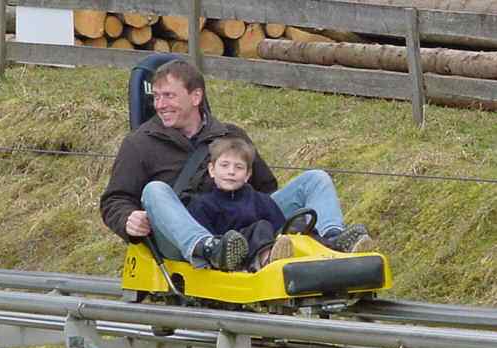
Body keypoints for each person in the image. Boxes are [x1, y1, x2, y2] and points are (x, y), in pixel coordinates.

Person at [100, 59, 373, 272]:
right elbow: (115, 200)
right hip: (179, 236)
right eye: (157, 97)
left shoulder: (230, 135)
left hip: (235, 230)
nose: (160, 105)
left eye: (169, 96)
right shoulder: (139, 143)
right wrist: (128, 219)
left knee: (316, 178)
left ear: (195, 97)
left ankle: (333, 241)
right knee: (155, 190)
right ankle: (207, 247)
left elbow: (265, 188)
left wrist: (258, 228)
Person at [186, 136, 294, 271]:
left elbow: (280, 227)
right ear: (212, 170)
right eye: (224, 165)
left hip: (259, 248)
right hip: (224, 259)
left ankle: (270, 259)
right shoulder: (202, 204)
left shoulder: (261, 200)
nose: (231, 172)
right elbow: (204, 237)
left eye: (239, 167)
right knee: (256, 229)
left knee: (264, 227)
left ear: (248, 175)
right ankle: (266, 262)